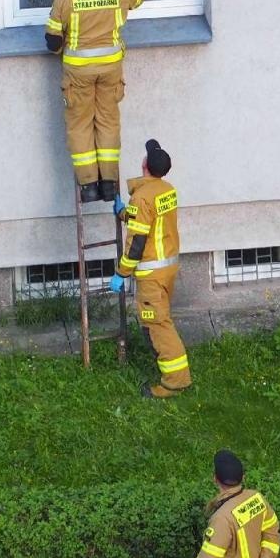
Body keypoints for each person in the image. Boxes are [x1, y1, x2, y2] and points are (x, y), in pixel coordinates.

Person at [45, 0, 145, 204]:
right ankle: (110, 184)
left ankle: (89, 186)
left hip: (78, 75)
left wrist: (65, 46)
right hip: (111, 71)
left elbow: (53, 42)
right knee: (108, 123)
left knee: (80, 127)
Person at [109, 139, 189, 399]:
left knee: (158, 325)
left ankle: (175, 381)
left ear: (144, 165)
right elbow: (149, 219)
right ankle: (174, 375)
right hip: (167, 268)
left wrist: (121, 273)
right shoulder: (166, 190)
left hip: (151, 274)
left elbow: (137, 242)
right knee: (161, 320)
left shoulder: (143, 197)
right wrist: (125, 213)